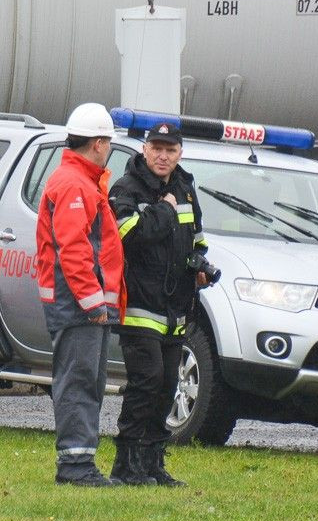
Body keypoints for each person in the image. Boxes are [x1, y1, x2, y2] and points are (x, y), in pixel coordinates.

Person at [109, 121, 217, 485]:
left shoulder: (185, 188)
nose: (162, 155)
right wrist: (165, 211)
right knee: (147, 381)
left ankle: (154, 464)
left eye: (170, 149)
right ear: (144, 149)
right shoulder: (126, 188)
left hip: (176, 307)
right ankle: (126, 465)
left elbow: (197, 238)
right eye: (156, 147)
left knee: (168, 383)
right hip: (139, 303)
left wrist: (200, 263)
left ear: (180, 154)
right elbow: (129, 235)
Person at [35, 103, 124, 486]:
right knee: (80, 381)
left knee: (85, 379)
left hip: (79, 302)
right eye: (109, 142)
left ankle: (79, 462)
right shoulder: (75, 184)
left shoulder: (78, 180)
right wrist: (93, 303)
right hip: (77, 305)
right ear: (99, 143)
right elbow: (73, 248)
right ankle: (74, 466)